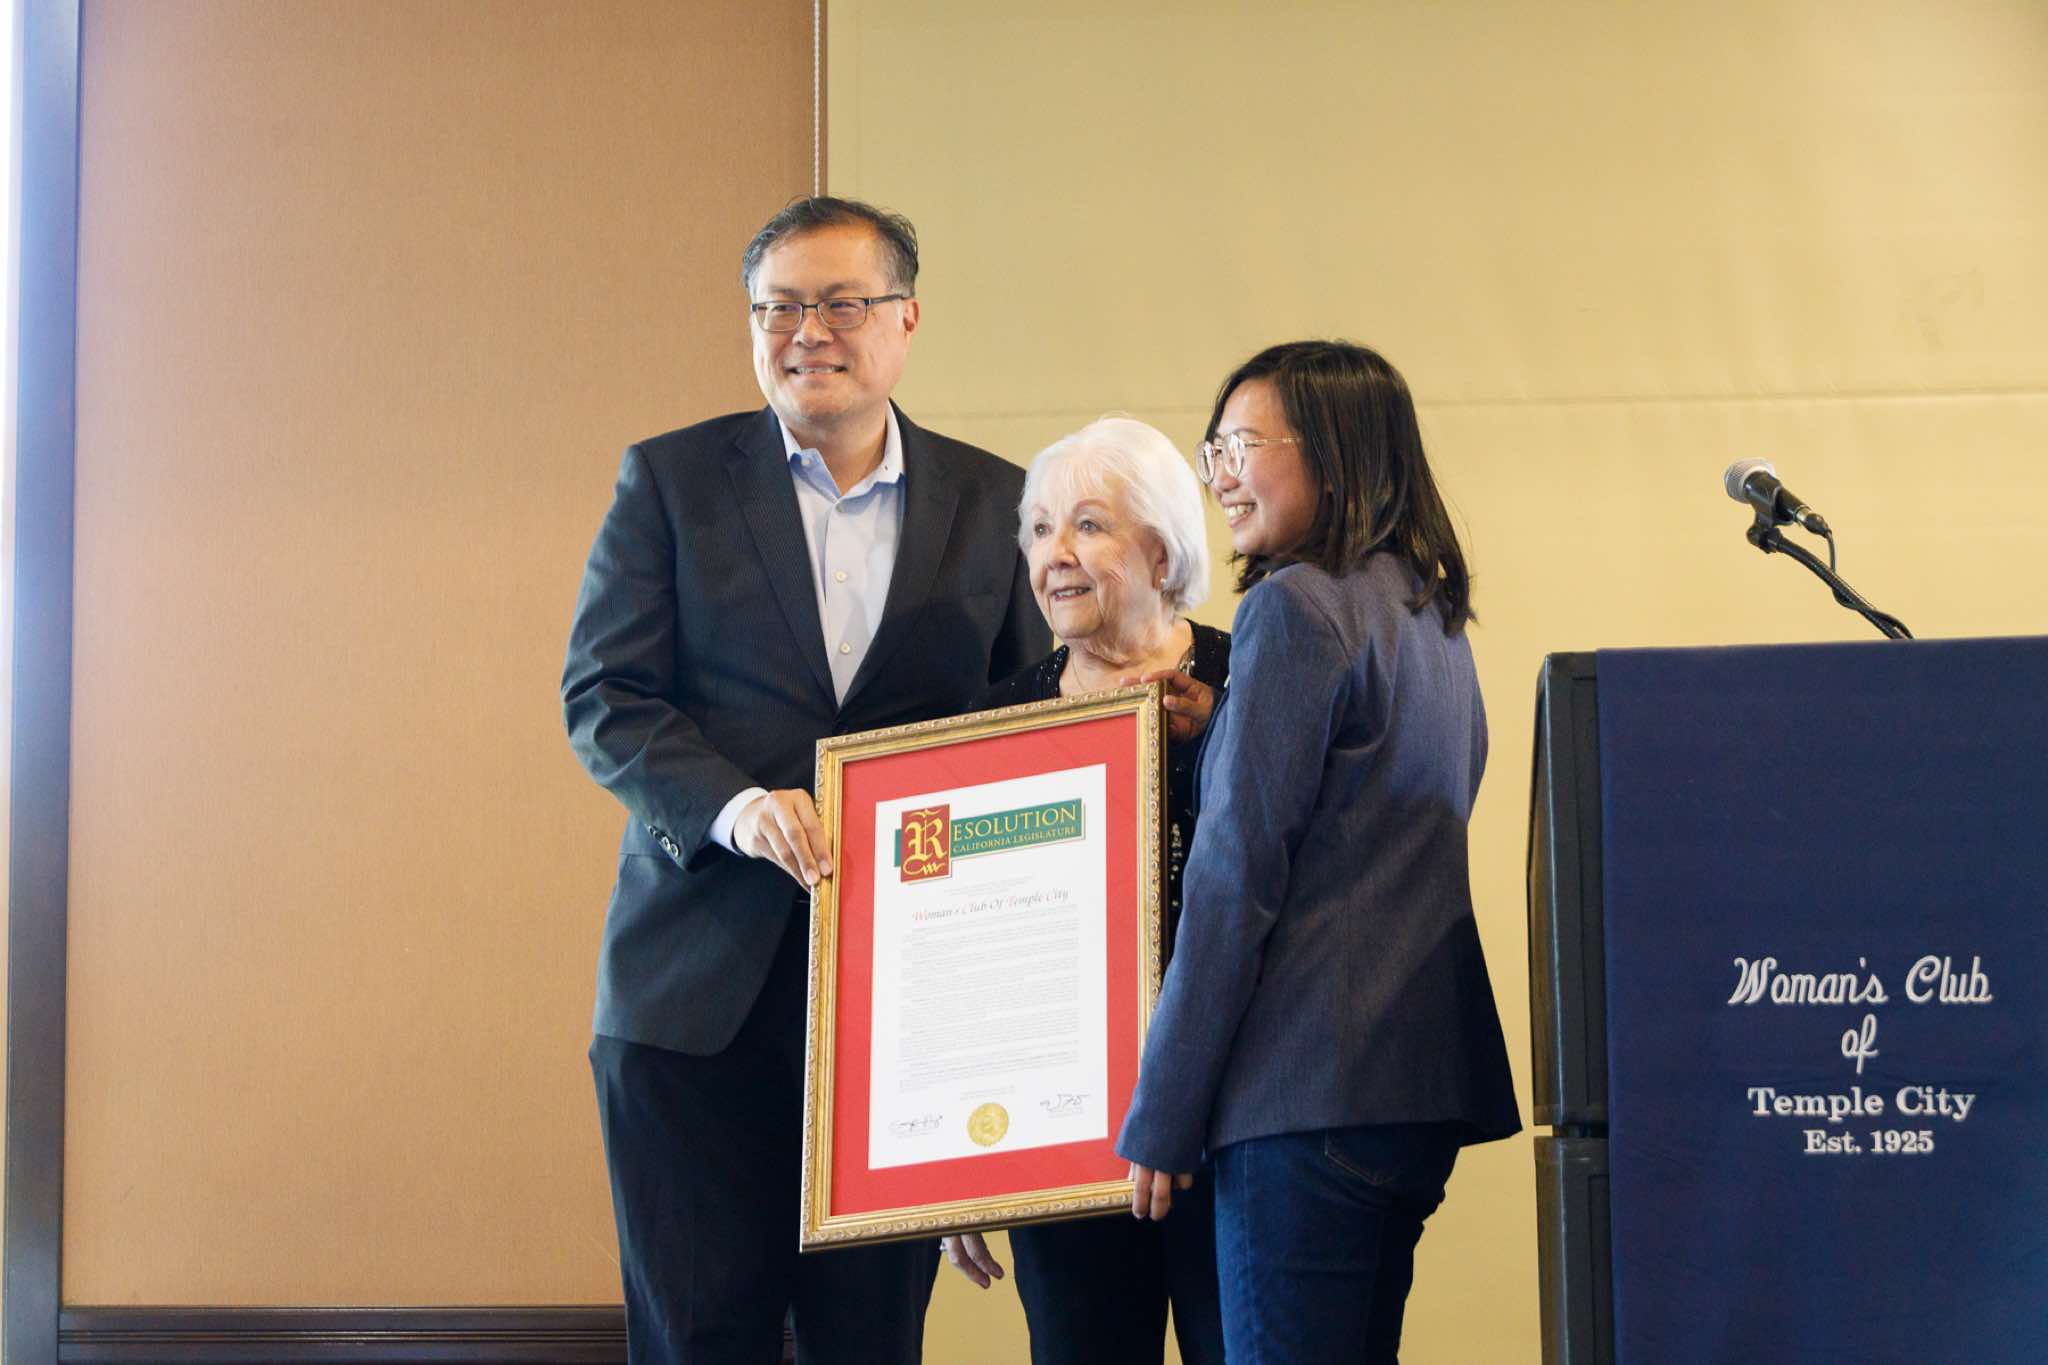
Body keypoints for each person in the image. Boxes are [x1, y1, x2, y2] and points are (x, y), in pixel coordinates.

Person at [561, 196, 1049, 1364]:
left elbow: (1027, 740)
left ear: (906, 318)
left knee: (869, 1344)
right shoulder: (671, 481)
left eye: (839, 303)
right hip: (691, 1003)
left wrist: (999, 1069)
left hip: (900, 1021)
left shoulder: (998, 504)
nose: (805, 332)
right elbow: (605, 696)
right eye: (776, 307)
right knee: (698, 1341)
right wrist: (734, 810)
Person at [1115, 341, 1521, 1363]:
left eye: (1244, 445)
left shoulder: (1291, 605)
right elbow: (1377, 810)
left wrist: (1162, 1112)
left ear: (1335, 455)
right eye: (1214, 450)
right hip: (1412, 1090)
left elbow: (1234, 876)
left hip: (1302, 1094)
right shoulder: (1428, 611)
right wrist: (1228, 722)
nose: (1221, 476)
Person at [936, 417, 1229, 1365]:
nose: (1052, 554)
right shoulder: (996, 721)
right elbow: (966, 953)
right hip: (1065, 1144)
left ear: (1161, 551)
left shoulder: (1249, 682)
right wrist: (958, 1164)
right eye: (1038, 529)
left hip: (1235, 1129)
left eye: (1088, 525)